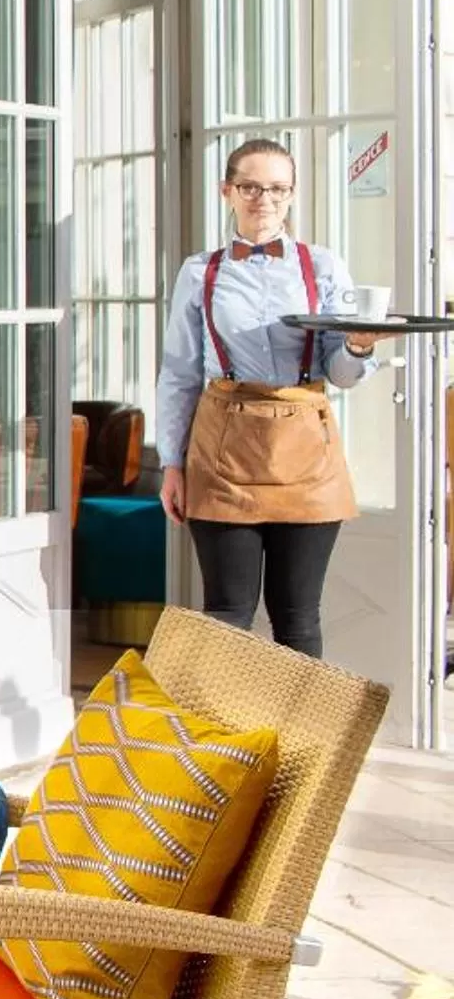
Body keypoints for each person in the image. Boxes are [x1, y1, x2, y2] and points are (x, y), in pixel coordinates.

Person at [154, 137, 391, 658]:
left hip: (306, 452)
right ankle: (227, 716)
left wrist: (358, 346)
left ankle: (301, 717)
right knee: (227, 614)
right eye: (251, 187)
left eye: (278, 189)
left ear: (292, 194)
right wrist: (171, 463)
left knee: (298, 616)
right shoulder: (200, 272)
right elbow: (179, 374)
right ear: (227, 191)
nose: (265, 199)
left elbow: (341, 373)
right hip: (222, 452)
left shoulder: (322, 266)